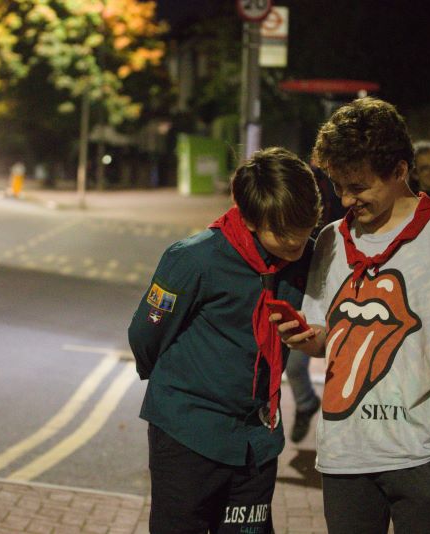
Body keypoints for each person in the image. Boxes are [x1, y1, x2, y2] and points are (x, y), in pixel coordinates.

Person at [274, 97, 430, 533]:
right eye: (338, 186)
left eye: (359, 186)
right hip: (344, 457)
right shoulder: (332, 239)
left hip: (422, 455)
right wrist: (303, 336)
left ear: (399, 171)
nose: (347, 199)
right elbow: (324, 338)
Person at [128, 147, 322, 533]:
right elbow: (145, 335)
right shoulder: (195, 259)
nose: (297, 243)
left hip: (257, 438)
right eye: (284, 233)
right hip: (188, 434)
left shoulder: (307, 259)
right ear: (251, 219)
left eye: (305, 229)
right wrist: (184, 391)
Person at [285, 165, 346, 443]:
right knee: (292, 361)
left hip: (330, 291)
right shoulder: (300, 187)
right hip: (299, 289)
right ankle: (306, 402)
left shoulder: (345, 193)